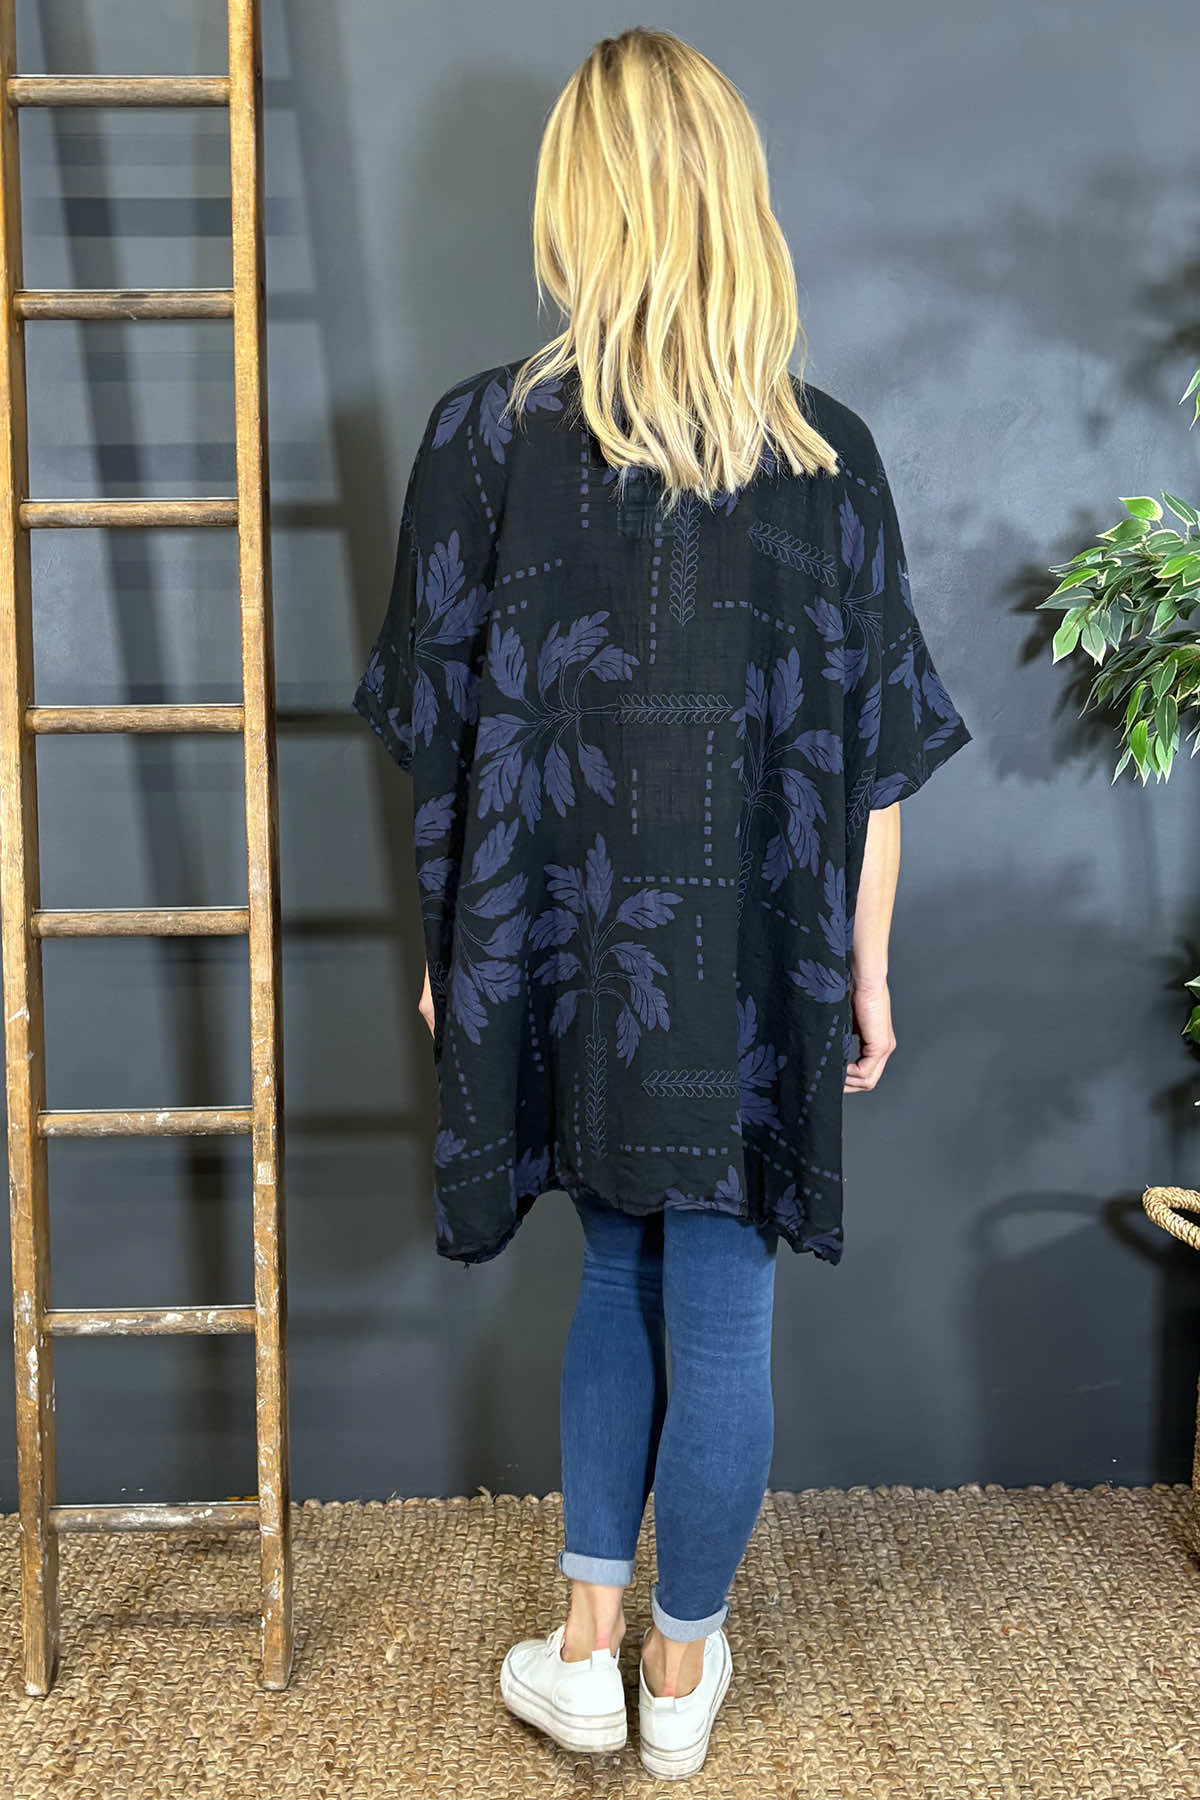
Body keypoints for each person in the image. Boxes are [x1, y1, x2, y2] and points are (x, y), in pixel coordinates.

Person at [352, 25, 972, 1781]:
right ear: (733, 200)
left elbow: (438, 736)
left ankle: (584, 1654)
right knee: (720, 1298)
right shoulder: (830, 456)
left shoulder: (484, 438)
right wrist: (865, 972)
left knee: (612, 1265)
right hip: (753, 967)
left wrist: (454, 961)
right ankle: (679, 1679)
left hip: (558, 956)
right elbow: (872, 762)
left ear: (583, 203)